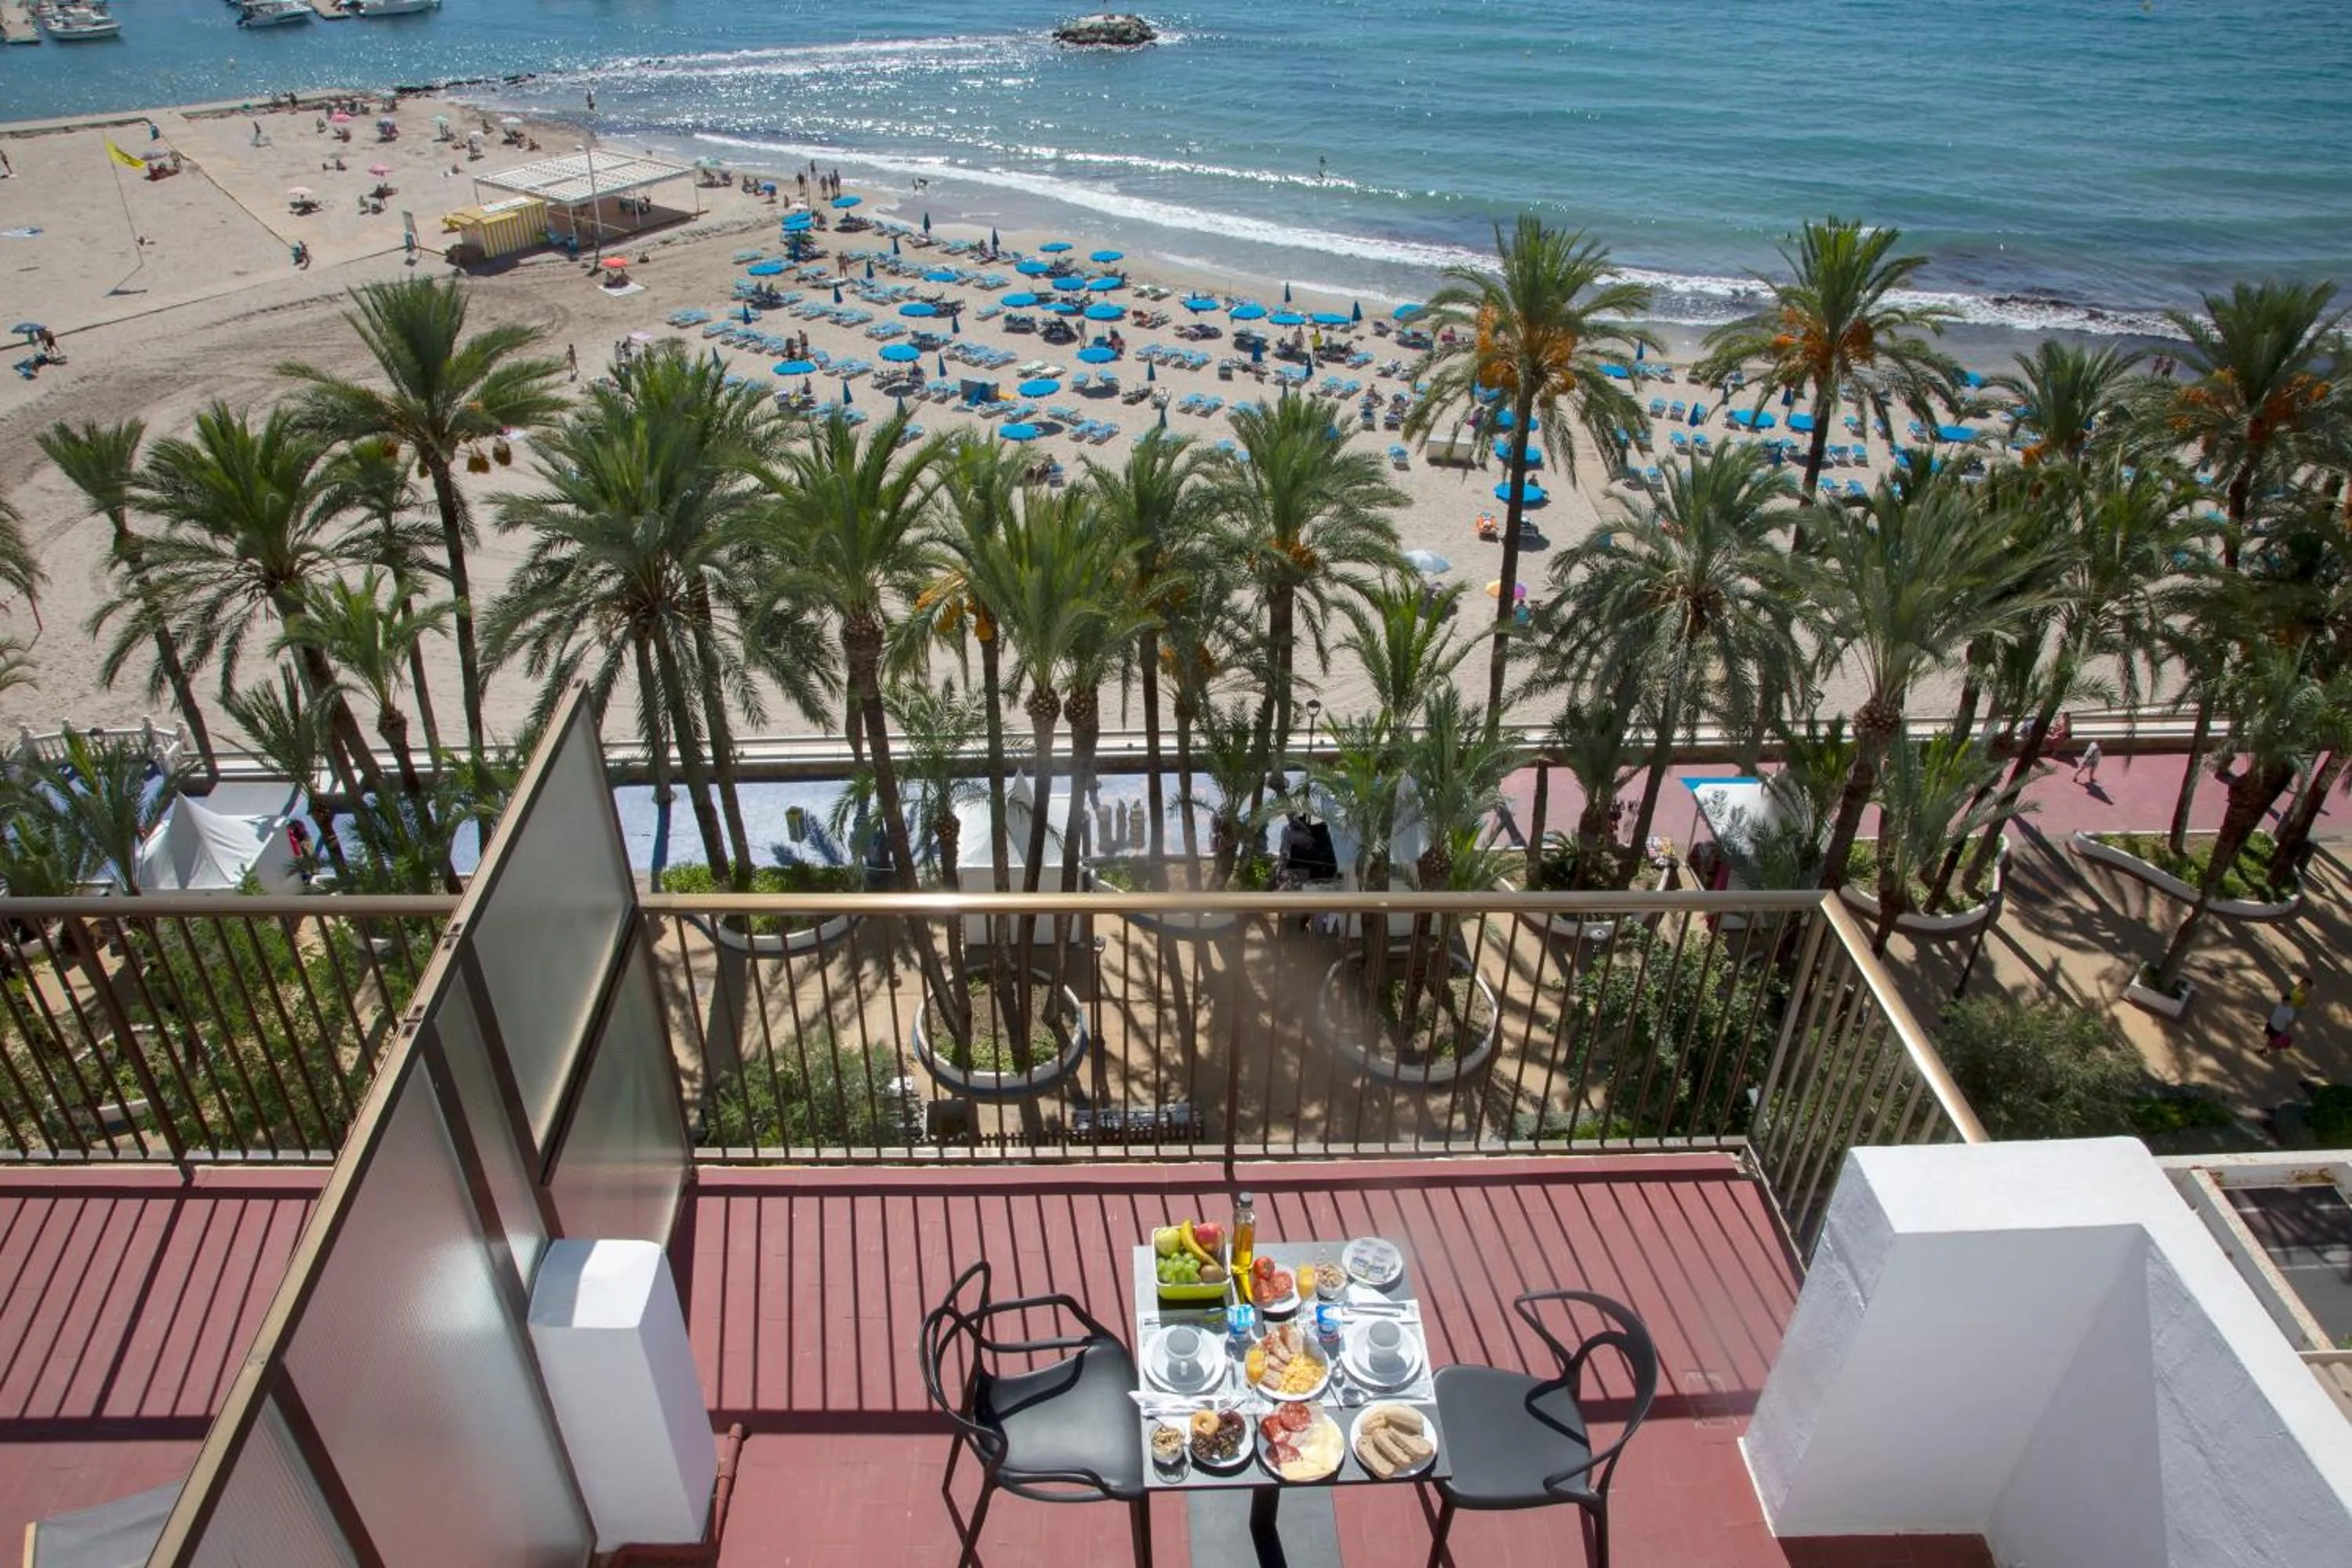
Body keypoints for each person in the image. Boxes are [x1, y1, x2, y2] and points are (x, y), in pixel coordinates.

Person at [2263, 978, 2311, 1054]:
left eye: (2306, 985)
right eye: (2303, 983)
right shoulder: (2296, 988)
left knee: (2283, 1029)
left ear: (2309, 987)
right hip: (2285, 1009)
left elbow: (2303, 1007)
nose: (2304, 985)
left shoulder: (2306, 995)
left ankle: (2277, 1044)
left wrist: (2293, 1017)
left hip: (2293, 1012)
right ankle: (2272, 1042)